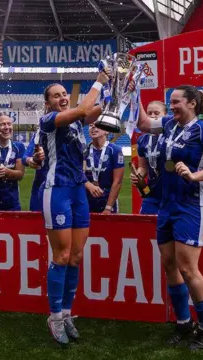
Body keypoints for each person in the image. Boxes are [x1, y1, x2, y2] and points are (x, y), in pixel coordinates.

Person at [139, 85, 203, 350]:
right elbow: (143, 123)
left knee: (188, 268)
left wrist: (194, 175)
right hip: (167, 204)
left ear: (191, 103)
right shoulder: (169, 124)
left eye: (176, 102)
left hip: (191, 205)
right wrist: (134, 95)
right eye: (171, 102)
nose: (172, 106)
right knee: (169, 265)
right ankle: (183, 321)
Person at [38, 70, 109, 345]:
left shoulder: (79, 121)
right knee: (62, 255)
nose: (62, 98)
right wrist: (100, 82)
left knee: (77, 256)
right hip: (57, 190)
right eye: (56, 95)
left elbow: (93, 110)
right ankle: (54, 316)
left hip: (78, 190)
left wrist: (118, 95)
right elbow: (83, 109)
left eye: (65, 93)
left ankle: (67, 313)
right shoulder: (49, 120)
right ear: (48, 103)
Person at [134, 101, 167, 215]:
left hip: (171, 194)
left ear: (165, 116)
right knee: (146, 228)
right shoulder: (142, 140)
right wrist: (138, 175)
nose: (153, 116)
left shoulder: (171, 136)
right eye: (149, 113)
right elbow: (143, 167)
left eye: (157, 113)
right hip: (151, 194)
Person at [84, 123, 124, 214]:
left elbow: (117, 182)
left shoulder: (115, 151)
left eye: (97, 125)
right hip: (86, 203)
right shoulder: (83, 151)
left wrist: (108, 208)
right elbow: (78, 175)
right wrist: (89, 186)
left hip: (108, 202)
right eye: (90, 125)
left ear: (107, 131)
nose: (93, 127)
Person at [22, 128, 46, 211]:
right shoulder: (40, 132)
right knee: (37, 219)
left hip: (64, 185)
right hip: (41, 185)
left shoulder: (72, 132)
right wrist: (30, 160)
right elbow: (25, 157)